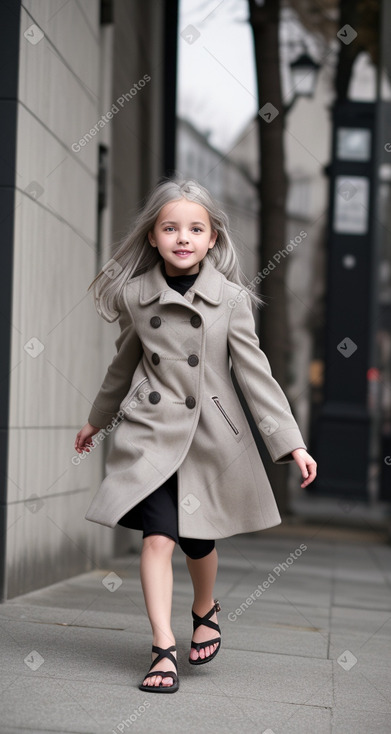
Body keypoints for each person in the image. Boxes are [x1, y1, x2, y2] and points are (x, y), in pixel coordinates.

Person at [74, 178, 317, 694]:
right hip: (152, 433)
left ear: (212, 239)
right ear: (153, 237)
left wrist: (291, 443)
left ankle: (204, 606)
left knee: (197, 540)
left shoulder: (230, 300)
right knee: (157, 537)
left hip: (210, 436)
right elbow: (124, 366)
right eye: (170, 228)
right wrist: (98, 419)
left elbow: (256, 375)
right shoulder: (138, 296)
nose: (182, 237)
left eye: (195, 228)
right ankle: (162, 648)